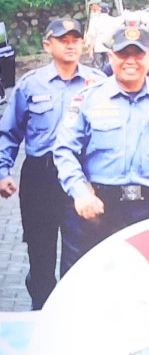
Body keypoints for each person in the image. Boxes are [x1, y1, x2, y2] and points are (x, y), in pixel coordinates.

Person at [52, 20, 149, 261]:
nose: (130, 60)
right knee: (100, 288)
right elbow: (64, 151)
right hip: (102, 211)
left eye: (138, 53)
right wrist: (80, 192)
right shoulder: (88, 99)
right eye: (123, 53)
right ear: (111, 57)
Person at [0, 19, 101, 308]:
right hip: (40, 178)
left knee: (79, 252)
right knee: (40, 252)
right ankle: (40, 313)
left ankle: (68, 314)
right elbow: (9, 132)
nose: (70, 44)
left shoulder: (98, 84)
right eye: (62, 39)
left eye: (75, 39)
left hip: (82, 181)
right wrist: (3, 171)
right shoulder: (31, 85)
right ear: (48, 45)